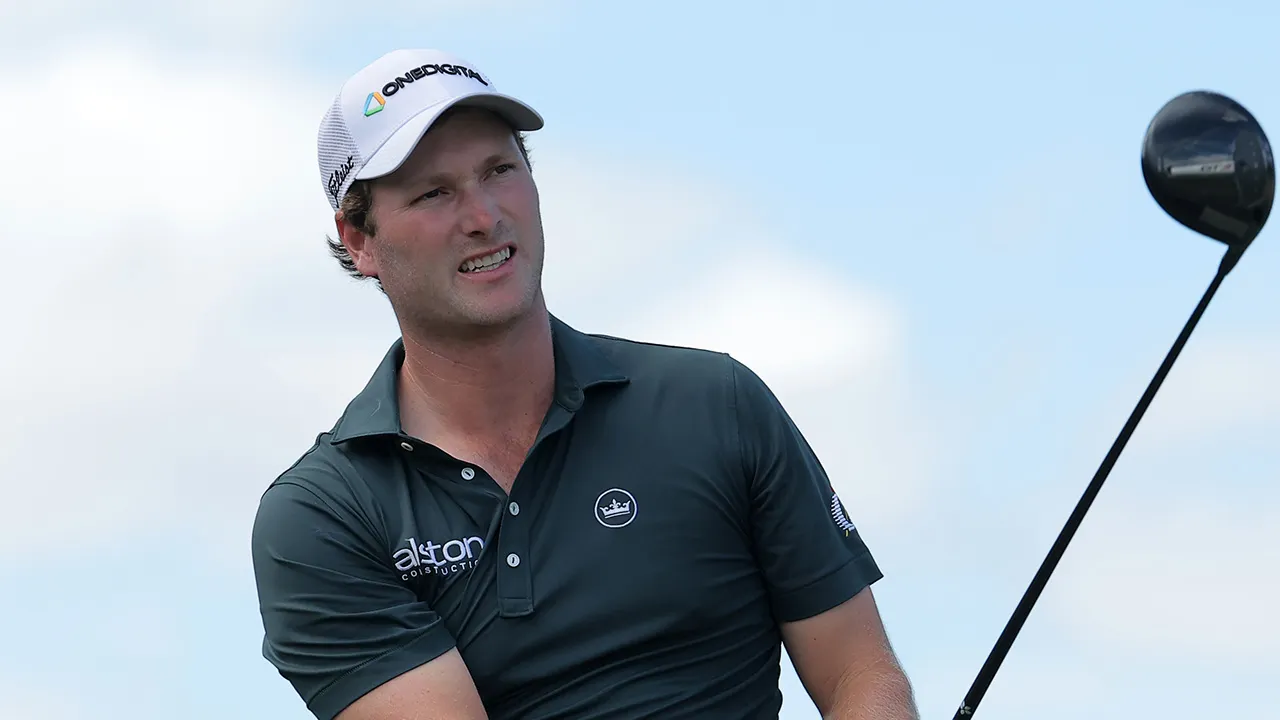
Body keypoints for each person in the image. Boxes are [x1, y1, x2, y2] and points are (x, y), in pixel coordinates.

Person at [251, 47, 920, 720]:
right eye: (435, 192)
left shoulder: (716, 404)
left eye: (500, 170)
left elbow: (861, 676)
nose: (484, 215)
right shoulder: (322, 517)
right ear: (358, 240)